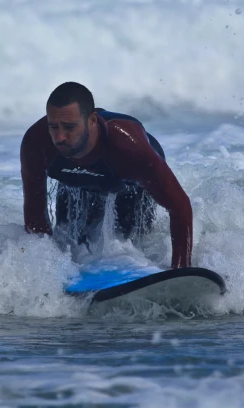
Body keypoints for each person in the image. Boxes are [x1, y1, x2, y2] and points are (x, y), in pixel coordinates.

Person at [20, 82, 193, 268]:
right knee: (69, 245)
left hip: (129, 186)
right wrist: (45, 269)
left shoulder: (128, 146)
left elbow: (180, 207)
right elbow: (35, 218)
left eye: (69, 127)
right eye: (53, 127)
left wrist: (181, 270)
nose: (60, 137)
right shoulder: (36, 143)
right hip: (75, 183)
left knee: (133, 247)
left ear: (92, 121)